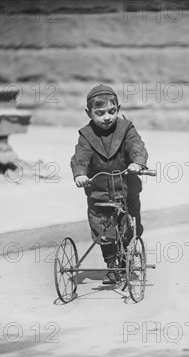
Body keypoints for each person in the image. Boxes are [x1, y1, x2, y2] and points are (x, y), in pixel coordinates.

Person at [71, 84, 148, 284]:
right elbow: (81, 156)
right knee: (103, 229)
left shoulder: (126, 128)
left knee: (127, 226)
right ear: (89, 113)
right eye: (100, 113)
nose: (107, 117)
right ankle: (112, 264)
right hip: (100, 191)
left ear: (118, 109)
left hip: (125, 187)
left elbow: (136, 145)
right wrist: (80, 174)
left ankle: (124, 259)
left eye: (111, 111)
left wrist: (137, 163)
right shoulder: (86, 135)